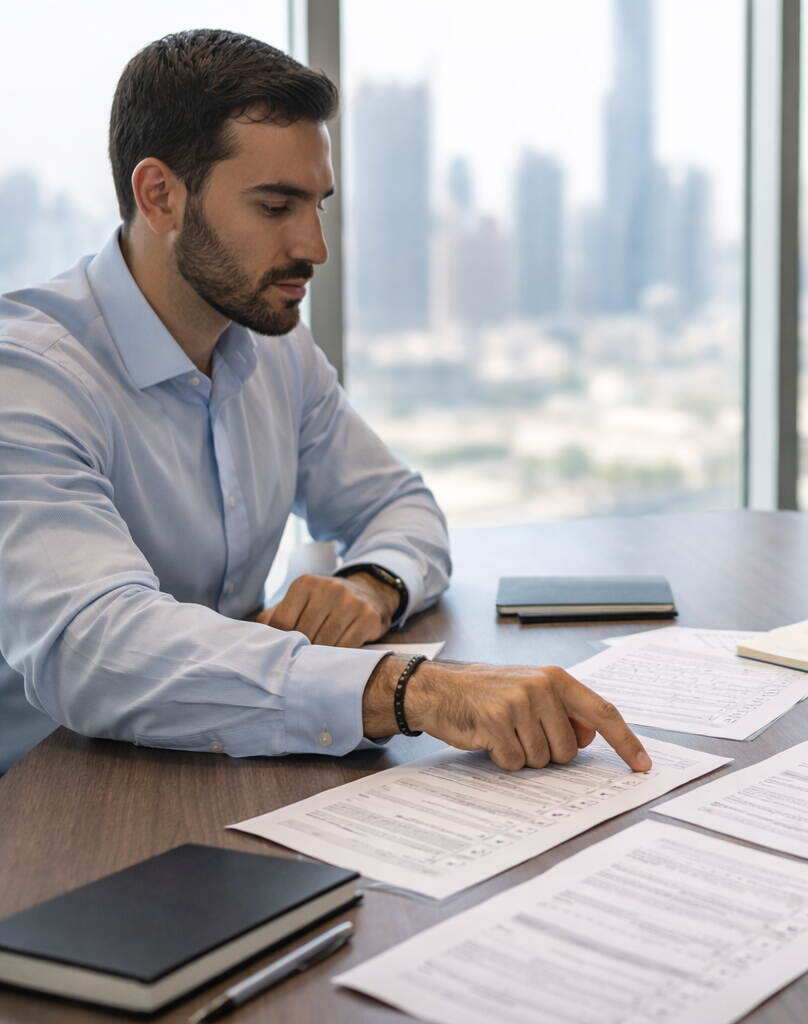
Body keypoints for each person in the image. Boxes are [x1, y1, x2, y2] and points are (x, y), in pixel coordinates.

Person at [0, 30, 650, 776]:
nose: (314, 247)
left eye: (317, 205)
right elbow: (93, 648)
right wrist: (407, 690)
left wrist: (372, 584)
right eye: (276, 206)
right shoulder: (28, 377)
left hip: (222, 765)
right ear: (161, 196)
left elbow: (400, 505)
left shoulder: (273, 346)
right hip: (49, 802)